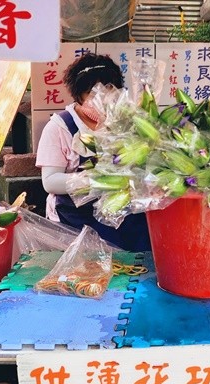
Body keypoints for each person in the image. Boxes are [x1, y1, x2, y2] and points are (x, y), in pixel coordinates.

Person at [36, 53, 151, 253]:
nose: (102, 97)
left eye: (109, 88)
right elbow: (50, 181)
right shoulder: (60, 127)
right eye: (92, 92)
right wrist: (96, 180)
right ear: (78, 95)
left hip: (122, 216)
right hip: (76, 219)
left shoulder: (124, 122)